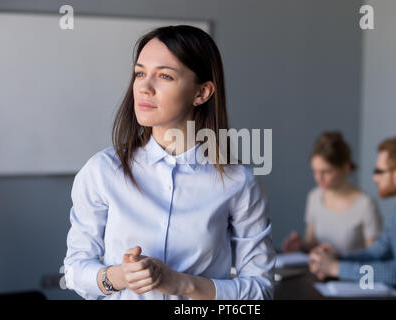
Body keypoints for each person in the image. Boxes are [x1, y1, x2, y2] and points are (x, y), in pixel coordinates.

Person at [63, 25, 275, 300]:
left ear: (202, 92)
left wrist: (181, 284)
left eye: (164, 75)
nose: (144, 87)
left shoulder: (238, 182)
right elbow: (74, 270)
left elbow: (261, 291)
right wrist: (119, 275)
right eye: (140, 73)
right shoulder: (102, 171)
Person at [309, 135, 396, 297]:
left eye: (379, 171)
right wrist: (335, 258)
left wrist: (335, 268)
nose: (374, 178)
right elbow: (375, 254)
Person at [282, 132, 382, 254]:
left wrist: (337, 261)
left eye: (326, 171)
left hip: (351, 273)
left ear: (345, 168)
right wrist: (300, 245)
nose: (318, 178)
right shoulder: (314, 197)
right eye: (315, 171)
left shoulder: (366, 205)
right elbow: (311, 243)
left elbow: (374, 257)